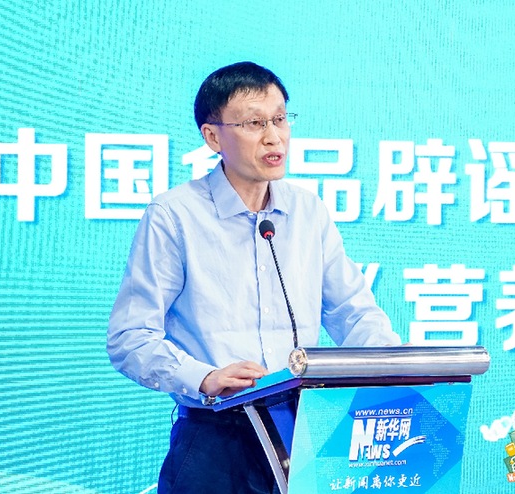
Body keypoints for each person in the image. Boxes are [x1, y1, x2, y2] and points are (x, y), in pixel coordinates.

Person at [107, 61, 401, 493]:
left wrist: (396, 371)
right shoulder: (175, 215)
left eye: (280, 119)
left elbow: (354, 313)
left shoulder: (307, 212)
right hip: (216, 441)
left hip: (304, 433)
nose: (273, 136)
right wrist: (203, 377)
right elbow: (130, 338)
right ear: (213, 137)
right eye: (253, 123)